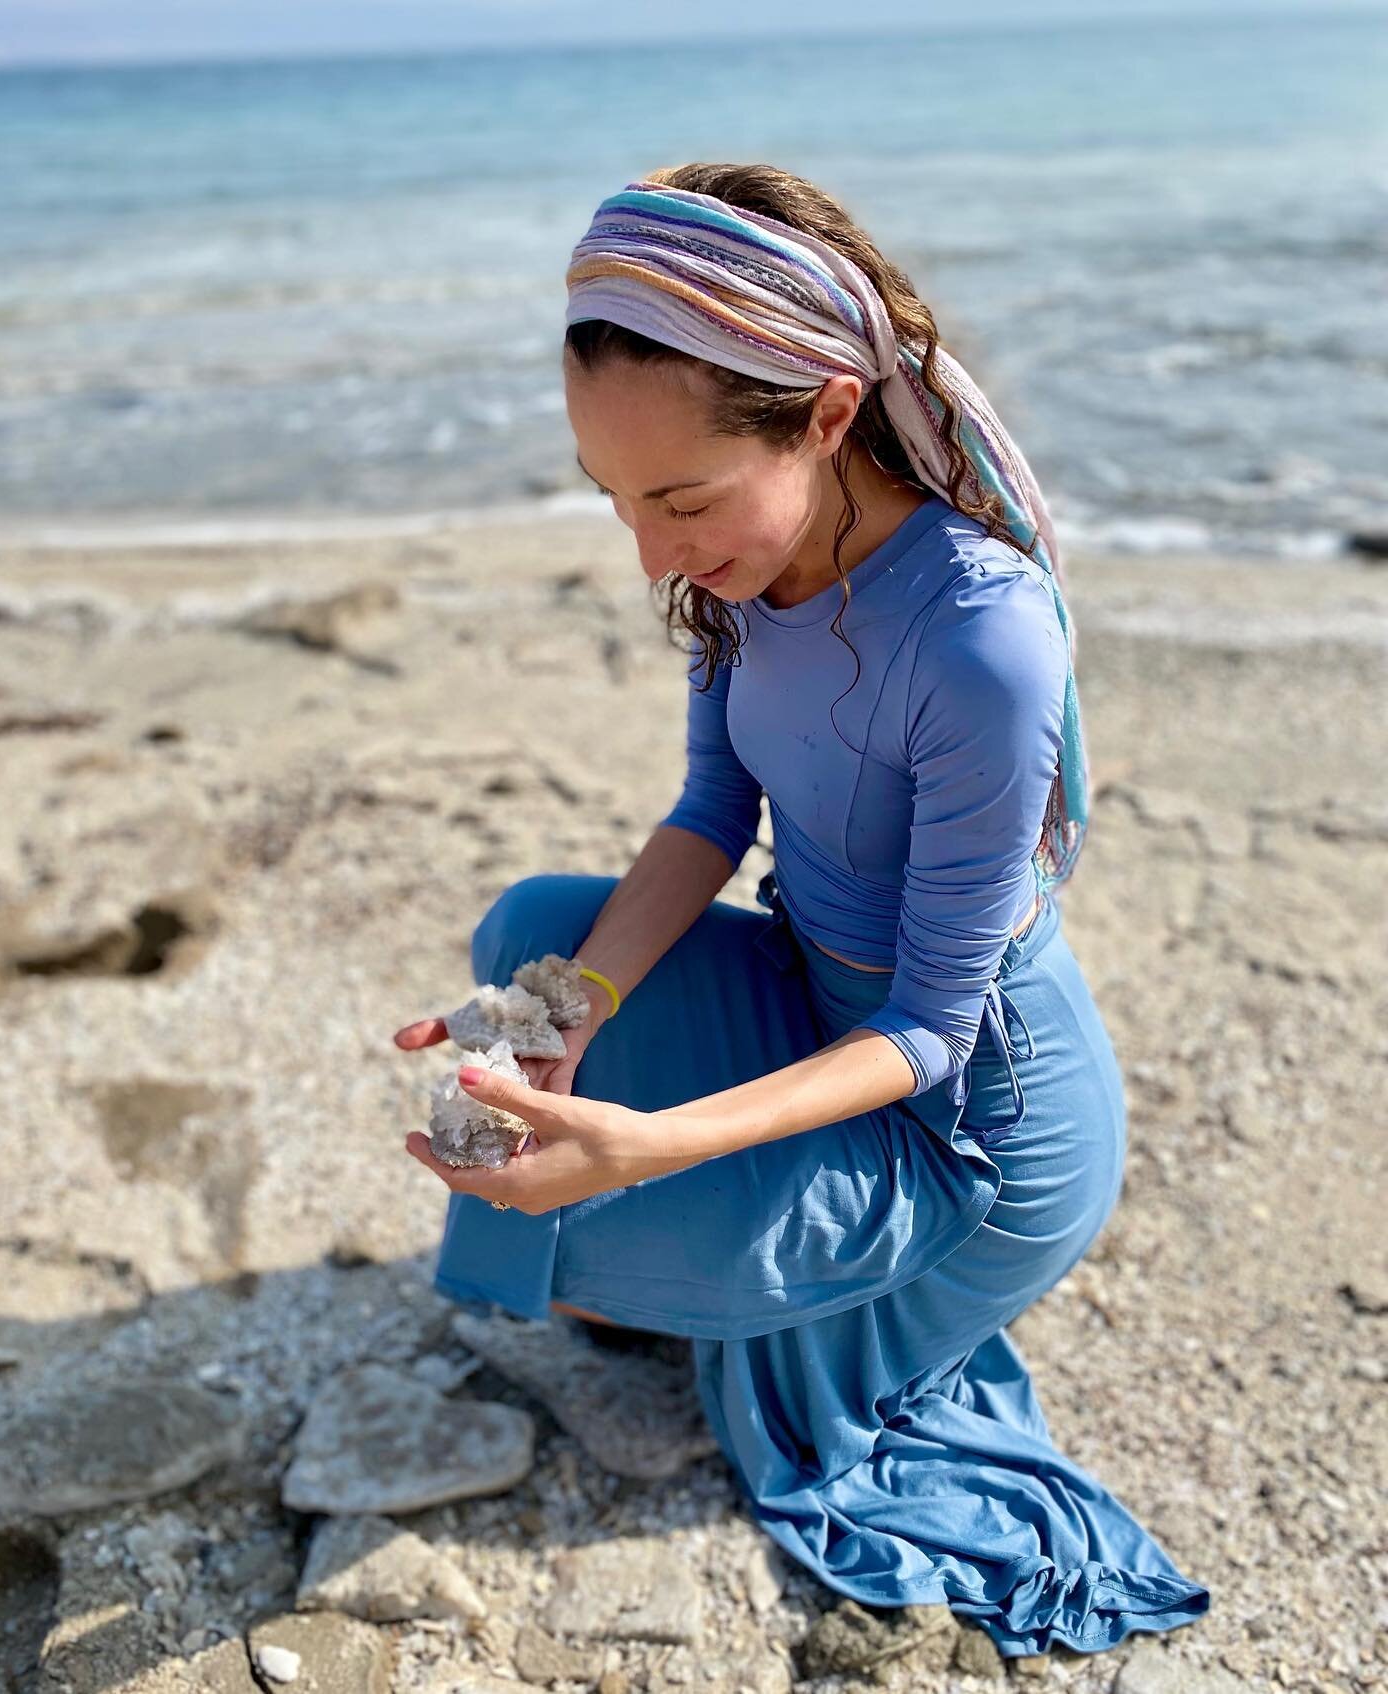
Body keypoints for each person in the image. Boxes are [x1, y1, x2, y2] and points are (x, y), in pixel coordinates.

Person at [394, 163, 1209, 1660]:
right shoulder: (744, 576)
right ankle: (657, 1248)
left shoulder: (980, 640)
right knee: (530, 943)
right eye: (617, 500)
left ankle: (701, 1275)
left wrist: (648, 1145)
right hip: (811, 995)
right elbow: (712, 817)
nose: (651, 553)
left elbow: (926, 1031)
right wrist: (554, 1020)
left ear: (829, 413)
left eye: (682, 498)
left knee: (598, 1251)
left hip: (965, 1134)